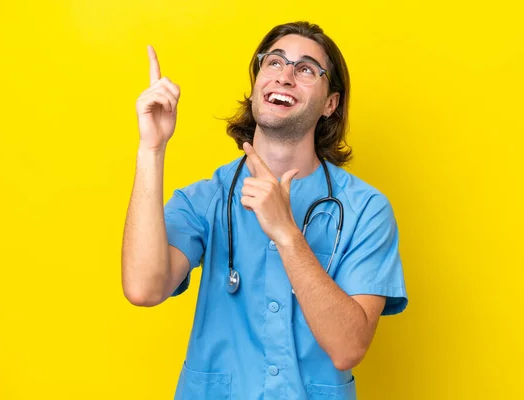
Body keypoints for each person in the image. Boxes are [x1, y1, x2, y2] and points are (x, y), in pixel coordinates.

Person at [122, 21, 408, 400]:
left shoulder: (366, 210)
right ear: (257, 84)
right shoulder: (207, 199)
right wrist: (152, 148)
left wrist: (286, 233)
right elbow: (143, 289)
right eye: (274, 62)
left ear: (330, 103)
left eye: (306, 69)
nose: (285, 76)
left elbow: (348, 348)